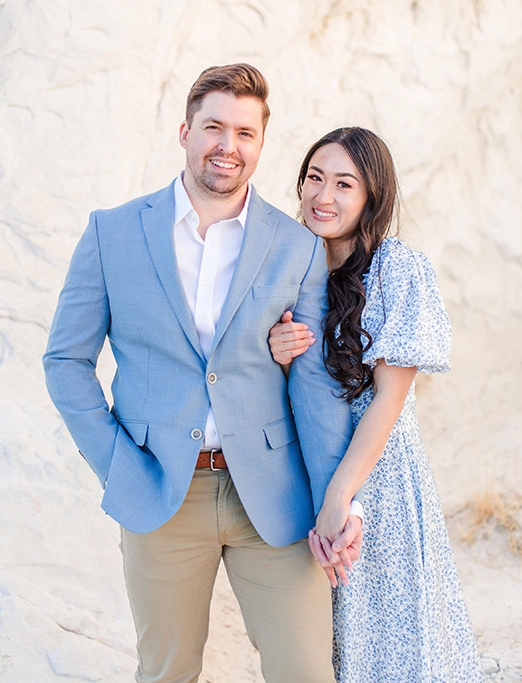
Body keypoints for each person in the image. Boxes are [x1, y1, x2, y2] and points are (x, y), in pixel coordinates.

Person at [42, 64, 364, 683]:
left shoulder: (297, 245)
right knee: (167, 671)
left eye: (245, 133)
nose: (228, 146)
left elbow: (315, 384)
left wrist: (336, 498)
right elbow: (66, 361)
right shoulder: (113, 233)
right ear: (185, 131)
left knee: (306, 672)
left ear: (261, 145)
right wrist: (116, 462)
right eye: (214, 127)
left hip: (274, 493)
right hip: (159, 486)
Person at [268, 126, 484, 683]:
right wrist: (276, 348)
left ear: (371, 198)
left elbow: (391, 397)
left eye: (345, 184)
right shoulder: (288, 269)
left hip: (379, 475)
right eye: (315, 178)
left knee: (396, 641)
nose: (324, 196)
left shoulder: (397, 269)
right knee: (328, 645)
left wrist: (343, 494)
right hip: (311, 468)